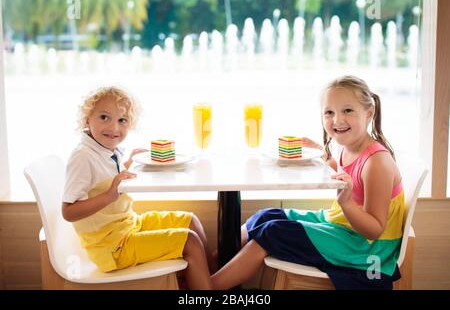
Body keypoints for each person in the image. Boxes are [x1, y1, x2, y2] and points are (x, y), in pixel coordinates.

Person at [211, 75, 404, 290]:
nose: (337, 120)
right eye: (329, 112)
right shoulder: (349, 147)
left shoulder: (377, 162)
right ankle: (213, 269)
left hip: (364, 249)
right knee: (265, 215)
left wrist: (347, 203)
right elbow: (348, 177)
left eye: (347, 111)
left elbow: (374, 230)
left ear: (369, 113)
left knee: (272, 231)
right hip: (342, 227)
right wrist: (323, 157)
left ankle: (207, 289)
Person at [62, 86, 214, 289]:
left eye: (122, 120)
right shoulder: (82, 157)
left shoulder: (104, 149)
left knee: (191, 221)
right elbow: (68, 212)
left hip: (128, 226)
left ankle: (214, 284)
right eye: (104, 117)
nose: (114, 128)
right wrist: (109, 196)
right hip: (112, 247)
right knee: (190, 241)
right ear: (87, 118)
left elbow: (103, 179)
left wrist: (128, 163)